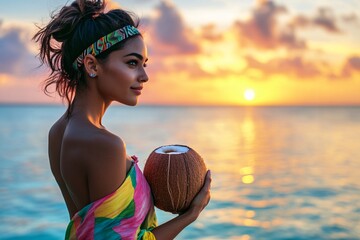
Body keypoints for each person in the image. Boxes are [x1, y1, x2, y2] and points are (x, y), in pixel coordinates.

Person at [33, 0, 211, 239]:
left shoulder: (59, 132)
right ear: (92, 65)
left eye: (144, 64)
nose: (144, 76)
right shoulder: (106, 145)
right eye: (132, 63)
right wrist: (190, 215)